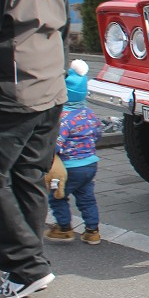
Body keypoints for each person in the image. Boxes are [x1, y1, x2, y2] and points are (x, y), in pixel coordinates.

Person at [0, 0, 68, 298]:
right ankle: (25, 267)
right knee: (27, 175)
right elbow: (59, 26)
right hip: (49, 87)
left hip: (15, 91)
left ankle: (26, 266)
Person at [45, 60, 103, 245]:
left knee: (57, 196)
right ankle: (92, 231)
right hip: (89, 164)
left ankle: (64, 228)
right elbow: (97, 134)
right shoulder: (89, 113)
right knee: (87, 199)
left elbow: (57, 144)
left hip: (68, 167)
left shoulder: (63, 118)